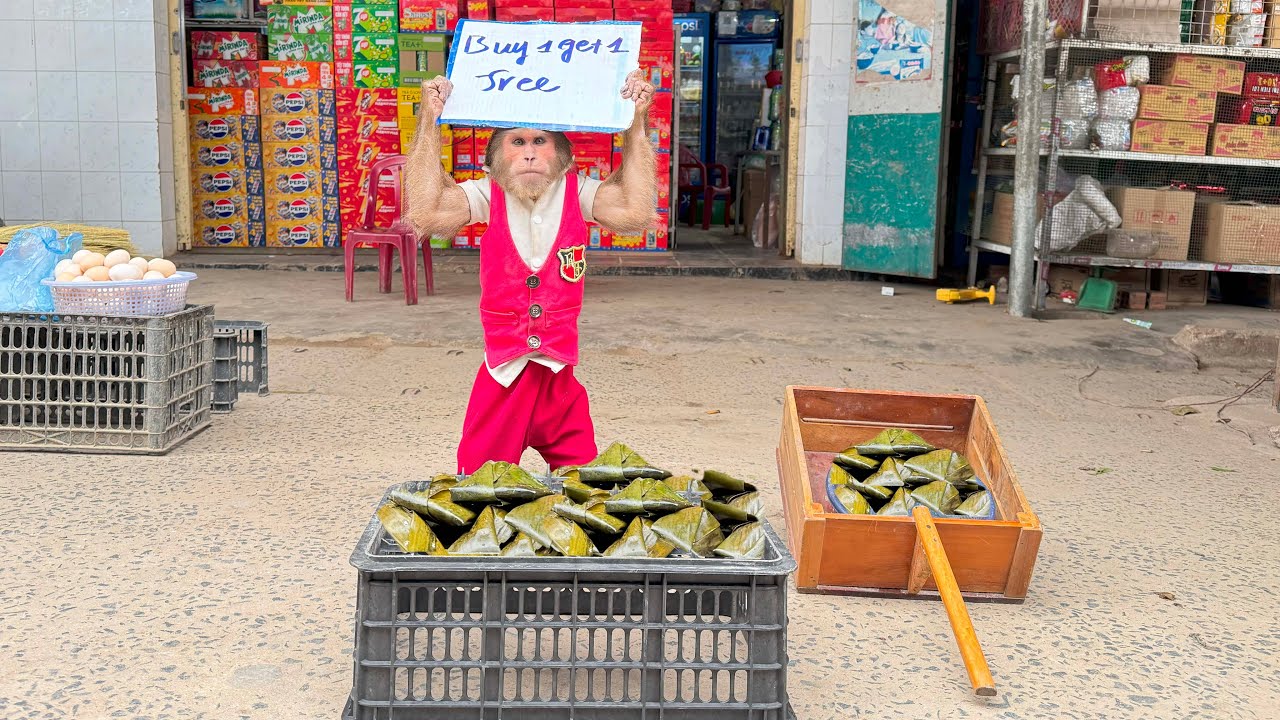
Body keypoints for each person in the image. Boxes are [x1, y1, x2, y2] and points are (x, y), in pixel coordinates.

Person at [403, 70, 658, 475]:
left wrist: (636, 123)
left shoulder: (577, 190)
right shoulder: (488, 193)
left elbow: (634, 212)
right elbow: (427, 213)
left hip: (560, 375)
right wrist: (429, 121)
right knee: (478, 484)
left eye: (540, 141)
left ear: (562, 155)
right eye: (517, 142)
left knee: (585, 486)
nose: (528, 153)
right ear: (495, 159)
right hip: (504, 373)